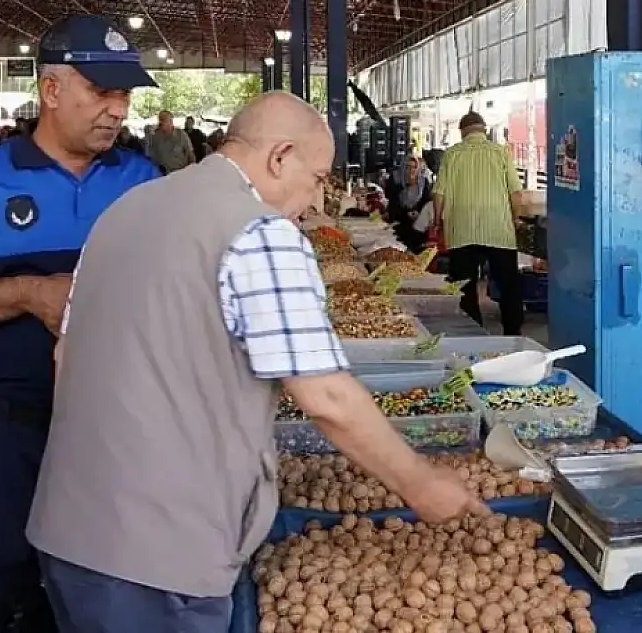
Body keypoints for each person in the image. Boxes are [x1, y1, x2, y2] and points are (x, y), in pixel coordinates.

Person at [28, 92, 486, 633]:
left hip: (68, 531)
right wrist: (420, 484)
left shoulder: (126, 210)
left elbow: (66, 355)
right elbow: (326, 396)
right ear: (279, 157)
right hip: (160, 559)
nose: (316, 202)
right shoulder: (260, 233)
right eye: (318, 178)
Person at [0, 15, 160, 633]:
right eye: (101, 91)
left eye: (124, 95)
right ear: (50, 91)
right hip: (3, 426)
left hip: (115, 427)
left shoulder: (145, 183)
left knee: (114, 580)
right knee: (11, 585)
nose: (116, 110)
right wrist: (27, 293)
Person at [433, 111, 526, 335]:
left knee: (465, 287)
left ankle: (473, 332)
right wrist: (515, 219)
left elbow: (439, 194)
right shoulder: (501, 152)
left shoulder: (452, 154)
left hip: (461, 231)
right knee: (508, 286)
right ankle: (512, 334)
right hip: (498, 230)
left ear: (463, 132)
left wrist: (438, 223)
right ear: (484, 129)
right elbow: (516, 194)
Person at [384, 153, 435, 252]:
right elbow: (391, 198)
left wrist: (417, 212)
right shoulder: (395, 179)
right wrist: (405, 186)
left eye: (414, 167)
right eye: (408, 167)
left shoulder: (423, 182)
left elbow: (426, 201)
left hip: (417, 220)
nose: (411, 170)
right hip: (398, 219)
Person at [146, 110, 196, 174]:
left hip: (179, 173)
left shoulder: (181, 135)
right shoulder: (155, 136)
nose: (161, 122)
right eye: (160, 119)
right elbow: (150, 156)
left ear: (171, 121)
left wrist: (192, 172)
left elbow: (191, 155)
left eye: (163, 119)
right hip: (161, 175)